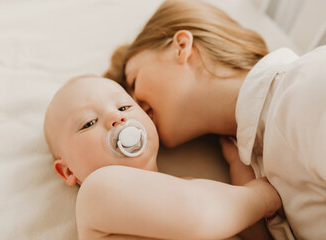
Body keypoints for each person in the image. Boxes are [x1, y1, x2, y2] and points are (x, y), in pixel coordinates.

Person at [104, 0, 326, 239]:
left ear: (181, 46)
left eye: (134, 81)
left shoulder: (305, 86)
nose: (134, 112)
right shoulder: (258, 161)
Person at [43, 75, 281, 240]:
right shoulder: (96, 193)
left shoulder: (189, 187)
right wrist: (260, 196)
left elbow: (254, 232)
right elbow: (199, 215)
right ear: (68, 171)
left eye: (124, 107)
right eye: (89, 123)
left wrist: (239, 168)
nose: (116, 118)